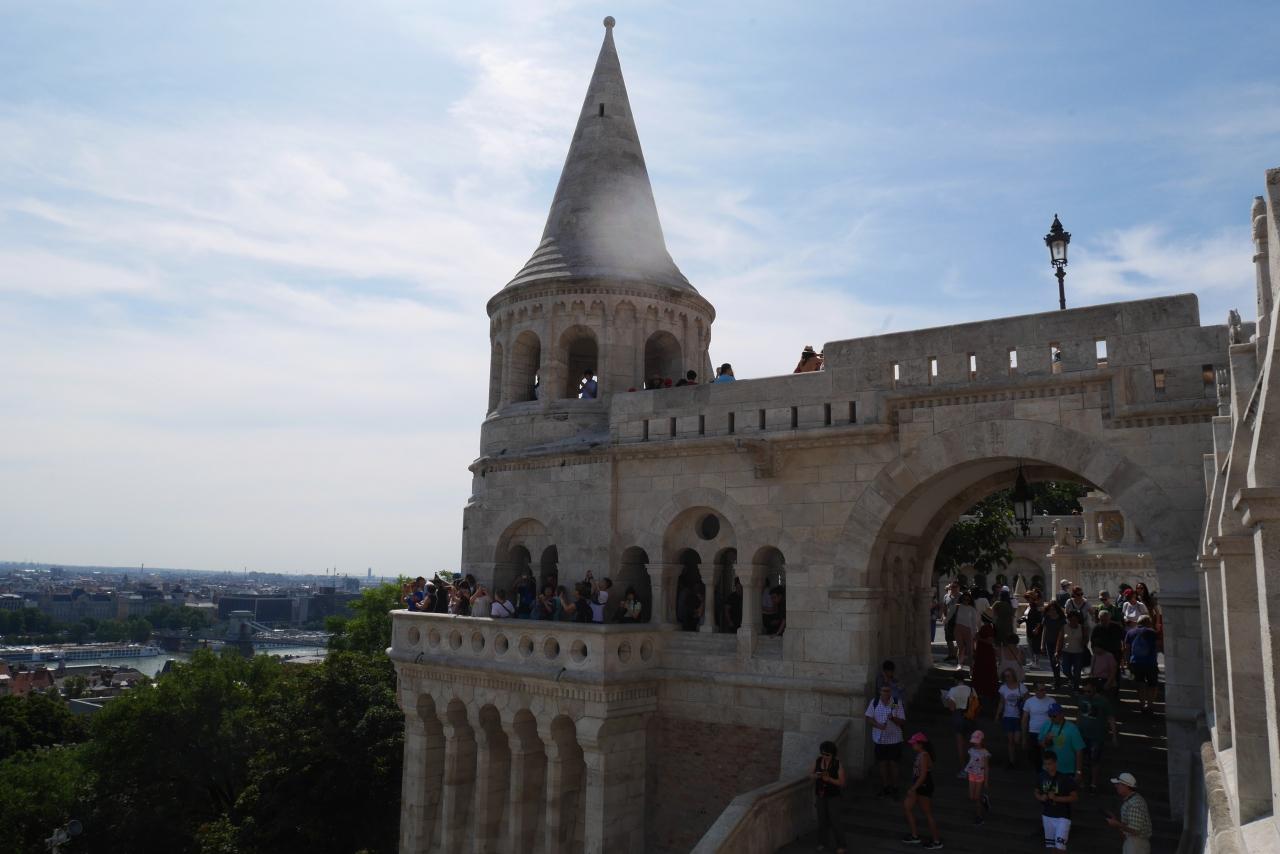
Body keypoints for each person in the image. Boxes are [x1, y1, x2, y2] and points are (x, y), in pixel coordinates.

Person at [1074, 677, 1117, 792]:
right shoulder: (1082, 698)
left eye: (1088, 691)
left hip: (1096, 736)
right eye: (1084, 691)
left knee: (1095, 759)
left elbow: (1111, 718)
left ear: (1094, 688)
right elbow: (1079, 713)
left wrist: (1114, 735)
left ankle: (1093, 784)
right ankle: (1081, 780)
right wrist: (1076, 728)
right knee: (1080, 758)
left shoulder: (1103, 701)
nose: (1086, 693)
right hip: (1082, 734)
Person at [901, 732, 944, 849]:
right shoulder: (920, 754)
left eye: (914, 743)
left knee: (928, 813)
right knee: (907, 807)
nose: (912, 745)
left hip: (924, 785)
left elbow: (923, 775)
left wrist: (913, 788)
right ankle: (914, 836)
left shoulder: (924, 756)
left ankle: (936, 841)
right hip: (918, 784)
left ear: (920, 744)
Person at [865, 683, 907, 797]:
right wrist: (878, 725)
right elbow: (869, 718)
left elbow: (902, 721)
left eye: (888, 691)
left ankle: (895, 787)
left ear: (891, 692)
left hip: (894, 739)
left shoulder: (895, 702)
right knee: (882, 764)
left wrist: (893, 718)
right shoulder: (875, 702)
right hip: (879, 739)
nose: (886, 693)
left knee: (894, 764)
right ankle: (885, 786)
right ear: (880, 692)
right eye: (884, 691)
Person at [1036, 750, 1079, 851]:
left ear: (1055, 763)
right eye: (1045, 764)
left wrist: (1056, 798)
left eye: (1050, 764)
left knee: (1060, 847)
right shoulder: (1041, 777)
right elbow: (1036, 791)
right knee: (1052, 847)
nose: (1047, 767)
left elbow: (1074, 797)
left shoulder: (1065, 779)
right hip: (1047, 815)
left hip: (1062, 817)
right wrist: (1040, 797)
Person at [811, 741, 847, 854]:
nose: (825, 756)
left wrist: (830, 779)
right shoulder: (818, 761)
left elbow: (842, 782)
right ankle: (822, 842)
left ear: (832, 754)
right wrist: (817, 776)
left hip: (833, 796)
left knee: (835, 820)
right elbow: (810, 775)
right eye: (823, 753)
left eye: (827, 754)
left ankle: (841, 845)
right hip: (820, 794)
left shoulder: (837, 763)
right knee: (821, 819)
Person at [1106, 772, 1153, 854]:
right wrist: (1115, 821)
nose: (1116, 786)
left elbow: (1135, 830)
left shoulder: (1134, 803)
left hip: (1136, 844)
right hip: (1133, 843)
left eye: (1118, 784)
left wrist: (1117, 824)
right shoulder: (1132, 800)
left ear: (1126, 786)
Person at [1123, 615, 1160, 715]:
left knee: (1140, 684)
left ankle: (1142, 705)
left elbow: (1127, 649)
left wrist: (1127, 663)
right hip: (1150, 663)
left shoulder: (1130, 633)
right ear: (1148, 622)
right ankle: (1150, 705)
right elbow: (1158, 646)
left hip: (1135, 662)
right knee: (1153, 684)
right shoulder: (1152, 632)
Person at [1038, 703, 1086, 780]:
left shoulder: (1072, 728)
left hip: (1066, 771)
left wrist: (1078, 771)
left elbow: (1079, 751)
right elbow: (1040, 742)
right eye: (1050, 715)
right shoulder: (1046, 724)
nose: (1052, 718)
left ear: (1061, 714)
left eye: (1054, 716)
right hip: (1048, 769)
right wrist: (1046, 741)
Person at [944, 670, 978, 766]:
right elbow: (975, 704)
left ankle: (962, 764)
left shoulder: (953, 690)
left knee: (960, 742)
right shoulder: (971, 689)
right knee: (969, 741)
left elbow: (952, 708)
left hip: (958, 715)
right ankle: (971, 762)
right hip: (970, 716)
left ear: (955, 679)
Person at [995, 668, 1028, 769]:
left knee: (1017, 740)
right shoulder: (1003, 688)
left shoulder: (1021, 687)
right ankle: (1012, 761)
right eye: (1005, 676)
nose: (1007, 678)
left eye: (1009, 676)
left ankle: (1019, 757)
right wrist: (997, 715)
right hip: (1007, 716)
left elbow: (1028, 700)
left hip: (1018, 717)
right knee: (1010, 741)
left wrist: (1022, 703)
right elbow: (1001, 702)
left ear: (1013, 676)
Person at [1022, 681, 1055, 772]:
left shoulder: (1051, 701)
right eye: (1040, 690)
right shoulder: (1029, 701)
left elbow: (1055, 718)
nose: (1042, 692)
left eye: (1044, 689)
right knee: (1035, 757)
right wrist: (1024, 737)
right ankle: (1040, 774)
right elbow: (1024, 719)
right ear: (1035, 690)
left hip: (1047, 733)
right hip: (1033, 732)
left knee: (1047, 756)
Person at [965, 730, 991, 825]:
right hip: (972, 774)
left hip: (980, 775)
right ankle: (983, 799)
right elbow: (970, 762)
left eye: (977, 741)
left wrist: (986, 781)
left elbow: (986, 767)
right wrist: (968, 771)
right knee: (971, 796)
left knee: (976, 797)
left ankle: (979, 816)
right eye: (974, 741)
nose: (975, 743)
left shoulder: (985, 753)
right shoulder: (971, 750)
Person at [1039, 601, 1066, 689]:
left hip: (1059, 643)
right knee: (1052, 662)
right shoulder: (1046, 618)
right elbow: (1044, 631)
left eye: (1053, 609)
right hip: (1049, 642)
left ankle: (1058, 681)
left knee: (1057, 661)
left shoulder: (1061, 619)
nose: (1052, 611)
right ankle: (1057, 680)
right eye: (1050, 610)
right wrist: (1042, 644)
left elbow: (1062, 632)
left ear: (1057, 610)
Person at [1059, 611, 1088, 691]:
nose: (1073, 622)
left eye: (1075, 620)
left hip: (1078, 652)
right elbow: (1060, 640)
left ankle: (1076, 688)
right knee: (1065, 670)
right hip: (1066, 651)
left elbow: (1086, 638)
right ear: (1068, 619)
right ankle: (1073, 680)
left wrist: (1084, 641)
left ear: (1078, 620)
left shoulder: (1082, 628)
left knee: (1077, 671)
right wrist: (1057, 651)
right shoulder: (1064, 627)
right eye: (1071, 620)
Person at [953, 592, 979, 669]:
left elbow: (974, 622)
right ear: (961, 599)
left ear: (970, 600)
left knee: (970, 650)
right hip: (958, 629)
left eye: (968, 599)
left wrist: (974, 633)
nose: (966, 601)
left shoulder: (972, 609)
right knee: (961, 647)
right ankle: (960, 664)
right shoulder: (957, 607)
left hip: (969, 630)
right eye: (964, 599)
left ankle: (971, 667)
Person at [1023, 588, 1044, 667]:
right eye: (1026, 598)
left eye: (1028, 598)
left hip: (1035, 628)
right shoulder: (1029, 606)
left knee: (1035, 645)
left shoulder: (1036, 606)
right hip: (1029, 627)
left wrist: (1037, 628)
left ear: (1032, 598)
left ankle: (1036, 662)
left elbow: (1039, 619)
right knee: (1030, 645)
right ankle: (1032, 661)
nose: (1027, 600)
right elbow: (1027, 615)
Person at [943, 581, 963, 662]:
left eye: (955, 587)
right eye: (951, 587)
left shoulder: (962, 596)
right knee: (948, 638)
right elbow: (944, 607)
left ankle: (959, 656)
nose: (953, 588)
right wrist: (944, 617)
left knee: (959, 639)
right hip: (948, 620)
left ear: (958, 587)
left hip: (958, 619)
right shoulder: (946, 596)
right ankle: (951, 655)